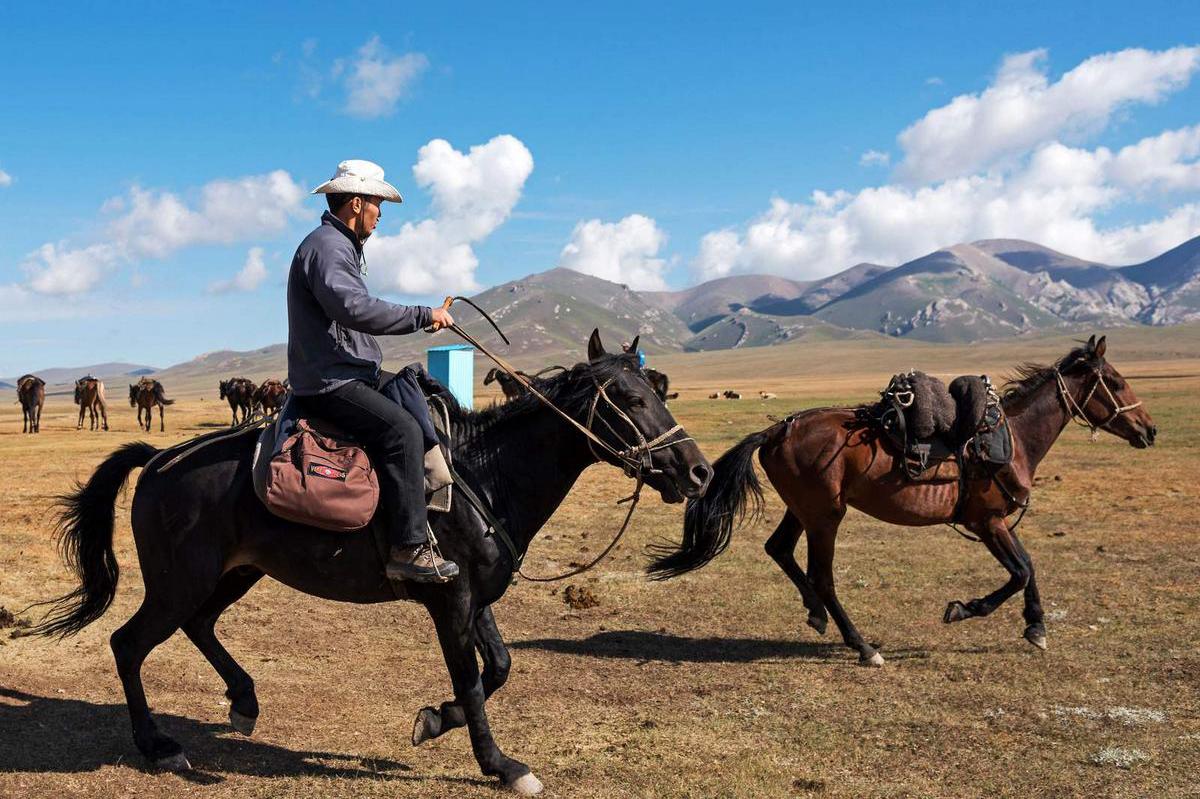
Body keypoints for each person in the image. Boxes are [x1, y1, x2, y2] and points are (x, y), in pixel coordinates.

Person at [286, 159, 458, 583]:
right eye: (378, 205)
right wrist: (422, 314)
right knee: (401, 430)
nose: (381, 214)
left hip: (348, 371)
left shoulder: (340, 246)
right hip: (331, 381)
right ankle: (408, 548)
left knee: (418, 396)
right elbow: (354, 308)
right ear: (357, 203)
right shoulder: (328, 247)